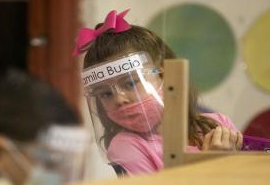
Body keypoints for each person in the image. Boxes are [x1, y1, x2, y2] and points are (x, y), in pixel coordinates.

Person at [73, 9, 242, 175]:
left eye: (130, 83)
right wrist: (210, 165)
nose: (119, 98)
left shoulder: (218, 124)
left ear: (164, 75)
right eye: (105, 94)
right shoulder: (126, 147)